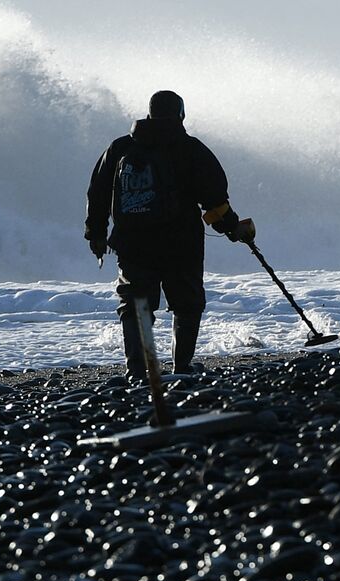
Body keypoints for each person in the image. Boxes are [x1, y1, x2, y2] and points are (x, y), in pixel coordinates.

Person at [85, 90, 254, 378]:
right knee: (186, 304)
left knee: (136, 304)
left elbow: (98, 193)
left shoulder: (120, 148)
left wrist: (97, 234)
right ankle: (182, 367)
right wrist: (232, 229)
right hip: (181, 242)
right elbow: (214, 199)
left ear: (148, 114)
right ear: (181, 115)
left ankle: (138, 371)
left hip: (132, 242)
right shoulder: (190, 149)